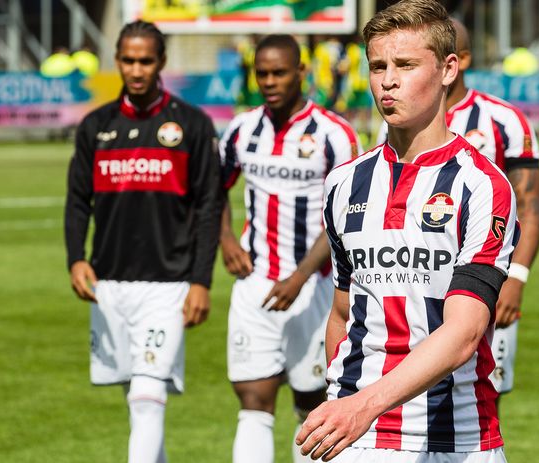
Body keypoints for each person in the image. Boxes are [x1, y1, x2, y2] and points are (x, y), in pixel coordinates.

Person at [296, 1, 518, 462]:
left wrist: (365, 405)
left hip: (454, 435)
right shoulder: (344, 182)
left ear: (447, 69)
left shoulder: (482, 185)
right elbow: (343, 311)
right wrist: (343, 406)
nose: (387, 81)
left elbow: (464, 333)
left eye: (405, 65)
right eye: (378, 66)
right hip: (357, 437)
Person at [64, 20, 223, 463]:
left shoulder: (190, 124)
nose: (137, 70)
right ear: (117, 61)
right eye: (129, 60)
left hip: (168, 283)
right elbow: (77, 201)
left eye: (146, 61)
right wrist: (76, 258)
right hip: (109, 283)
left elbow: (209, 207)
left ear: (161, 63)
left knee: (148, 394)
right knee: (137, 399)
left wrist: (200, 281)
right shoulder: (95, 126)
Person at [377, 18, 539, 412]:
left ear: (457, 61)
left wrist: (516, 277)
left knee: (480, 395)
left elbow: (532, 205)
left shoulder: (503, 120)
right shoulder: (399, 119)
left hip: (487, 279)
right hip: (412, 278)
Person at [219, 34, 360, 463]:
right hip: (255, 283)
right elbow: (213, 189)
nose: (269, 81)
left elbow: (347, 216)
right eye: (261, 73)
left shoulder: (334, 134)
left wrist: (300, 276)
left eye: (279, 72)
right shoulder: (242, 129)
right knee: (253, 399)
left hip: (315, 287)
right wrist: (226, 240)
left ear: (301, 72)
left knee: (312, 401)